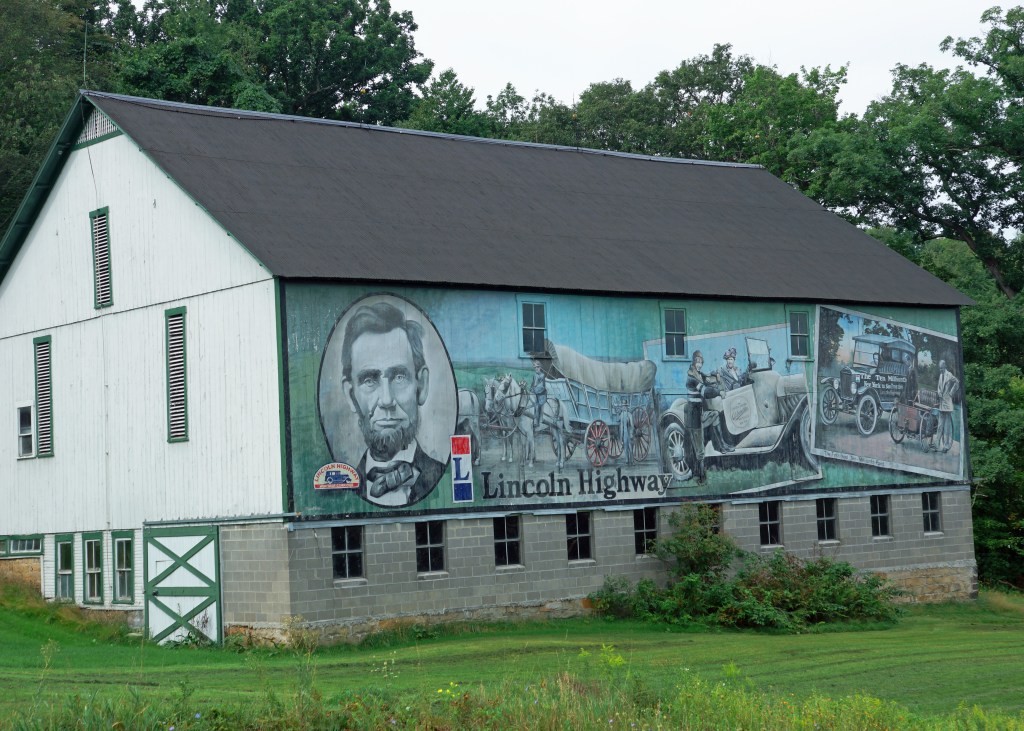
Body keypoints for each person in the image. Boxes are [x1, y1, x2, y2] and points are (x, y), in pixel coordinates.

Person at [341, 301, 446, 506]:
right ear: (351, 396)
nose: (387, 400)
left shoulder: (442, 475)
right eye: (369, 380)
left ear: (421, 385)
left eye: (399, 377)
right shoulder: (345, 488)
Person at [684, 351, 731, 485]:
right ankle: (701, 477)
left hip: (701, 414)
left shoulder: (699, 375)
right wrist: (719, 392)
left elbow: (708, 380)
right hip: (694, 418)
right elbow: (705, 392)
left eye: (701, 362)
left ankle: (722, 445)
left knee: (715, 415)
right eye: (697, 361)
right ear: (693, 362)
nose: (699, 364)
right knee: (699, 450)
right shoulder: (691, 378)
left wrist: (716, 376)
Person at [933, 359, 959, 453]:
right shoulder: (940, 375)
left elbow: (957, 382)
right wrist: (939, 392)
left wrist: (951, 393)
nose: (940, 370)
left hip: (947, 404)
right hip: (941, 403)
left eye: (942, 368)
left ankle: (946, 446)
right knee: (940, 426)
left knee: (947, 427)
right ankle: (936, 445)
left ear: (945, 367)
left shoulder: (949, 375)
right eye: (939, 368)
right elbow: (939, 387)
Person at [530, 358, 548, 430]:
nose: (536, 369)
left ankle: (537, 422)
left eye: (537, 367)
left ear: (540, 368)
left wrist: (535, 390)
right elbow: (532, 384)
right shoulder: (534, 375)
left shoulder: (542, 375)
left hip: (541, 395)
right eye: (535, 367)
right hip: (535, 393)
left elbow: (542, 386)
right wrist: (531, 389)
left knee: (537, 406)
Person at [617, 397, 634, 465]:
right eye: (623, 406)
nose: (624, 407)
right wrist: (617, 412)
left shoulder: (630, 415)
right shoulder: (621, 415)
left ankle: (632, 461)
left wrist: (632, 433)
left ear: (627, 407)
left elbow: (632, 425)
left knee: (630, 447)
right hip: (624, 433)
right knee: (625, 447)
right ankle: (627, 460)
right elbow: (618, 420)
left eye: (625, 406)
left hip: (629, 433)